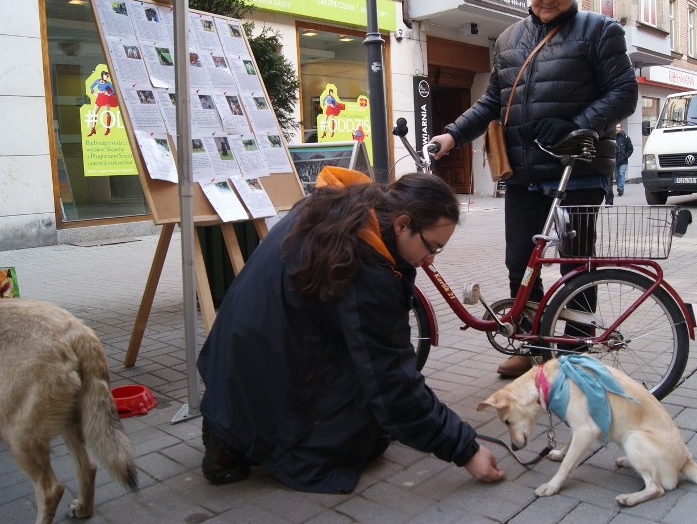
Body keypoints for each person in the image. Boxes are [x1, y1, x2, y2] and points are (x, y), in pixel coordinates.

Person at [197, 166, 504, 493]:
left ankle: (231, 427)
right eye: (433, 247)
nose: (431, 260)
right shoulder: (364, 265)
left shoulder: (337, 207)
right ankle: (240, 441)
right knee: (368, 434)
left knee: (371, 409)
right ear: (402, 225)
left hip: (231, 369)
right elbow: (392, 383)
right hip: (263, 380)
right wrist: (465, 449)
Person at [429, 0, 638, 378]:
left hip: (578, 170)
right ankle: (529, 343)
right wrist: (451, 134)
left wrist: (574, 126)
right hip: (524, 172)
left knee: (575, 263)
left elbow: (624, 92)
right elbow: (492, 102)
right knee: (520, 261)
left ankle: (576, 349)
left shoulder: (600, 32)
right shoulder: (508, 40)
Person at [605, 122, 634, 205]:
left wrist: (626, 156)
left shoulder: (626, 138)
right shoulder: (612, 137)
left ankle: (620, 188)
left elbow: (630, 149)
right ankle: (620, 188)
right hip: (614, 160)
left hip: (623, 161)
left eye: (618, 127)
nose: (617, 129)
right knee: (617, 176)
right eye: (616, 127)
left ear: (621, 128)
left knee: (621, 173)